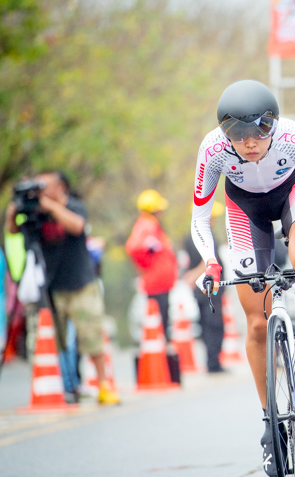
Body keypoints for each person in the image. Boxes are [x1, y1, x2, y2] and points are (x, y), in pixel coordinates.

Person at [190, 79, 295, 477]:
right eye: (237, 134)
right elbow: (198, 216)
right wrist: (210, 262)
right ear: (224, 133)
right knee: (257, 322)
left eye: (258, 130)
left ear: (273, 124)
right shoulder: (212, 150)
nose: (248, 143)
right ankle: (269, 421)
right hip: (245, 210)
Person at [5, 170, 120, 405]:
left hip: (80, 283)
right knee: (50, 340)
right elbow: (14, 231)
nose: (42, 191)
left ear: (61, 188)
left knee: (91, 337)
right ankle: (55, 387)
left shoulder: (74, 206)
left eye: (46, 186)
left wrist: (51, 207)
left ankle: (104, 386)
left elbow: (77, 226)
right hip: (51, 286)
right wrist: (14, 212)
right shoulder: (35, 211)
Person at [125, 189, 178, 342]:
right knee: (159, 324)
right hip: (156, 283)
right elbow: (134, 248)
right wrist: (146, 266)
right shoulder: (147, 224)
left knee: (162, 323)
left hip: (160, 282)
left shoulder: (151, 225)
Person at [181, 201, 226, 373]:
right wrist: (193, 275)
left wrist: (190, 275)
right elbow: (206, 261)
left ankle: (212, 362)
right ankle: (213, 363)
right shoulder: (205, 236)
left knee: (206, 325)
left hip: (200, 288)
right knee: (213, 325)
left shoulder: (189, 236)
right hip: (208, 287)